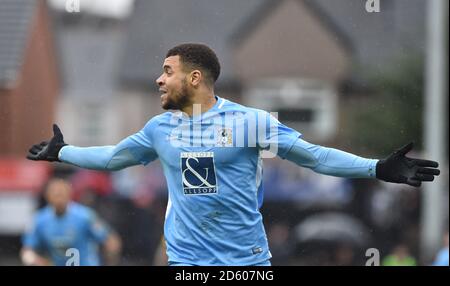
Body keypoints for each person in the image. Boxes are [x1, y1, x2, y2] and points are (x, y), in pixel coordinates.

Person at [26, 43, 440, 266]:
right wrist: (64, 151)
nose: (158, 79)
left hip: (246, 259)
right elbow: (114, 158)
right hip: (186, 260)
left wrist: (376, 167)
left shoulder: (251, 123)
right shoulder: (159, 129)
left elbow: (312, 157)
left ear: (194, 77)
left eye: (167, 71)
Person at [21, 178, 122, 266]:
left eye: (61, 194)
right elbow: (27, 251)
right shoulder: (39, 220)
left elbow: (111, 241)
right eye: (55, 194)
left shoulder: (85, 216)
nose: (58, 198)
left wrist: (110, 258)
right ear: (47, 196)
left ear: (69, 194)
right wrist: (35, 260)